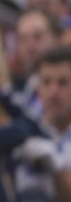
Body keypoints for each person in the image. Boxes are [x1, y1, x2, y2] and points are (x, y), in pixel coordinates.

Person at [12, 47, 71, 201]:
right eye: (46, 82)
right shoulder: (23, 128)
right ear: (38, 87)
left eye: (63, 83)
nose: (53, 91)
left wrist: (57, 166)